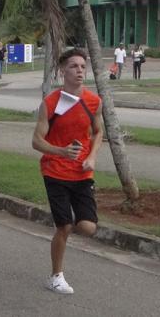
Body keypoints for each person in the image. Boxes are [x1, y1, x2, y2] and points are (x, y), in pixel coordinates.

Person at [31, 48, 102, 294]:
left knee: (88, 227)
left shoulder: (93, 101)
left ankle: (73, 221)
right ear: (63, 70)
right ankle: (56, 276)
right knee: (65, 226)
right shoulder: (51, 103)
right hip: (55, 171)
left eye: (83, 66)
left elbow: (98, 131)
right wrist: (61, 152)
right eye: (74, 66)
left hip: (82, 173)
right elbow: (36, 141)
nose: (79, 71)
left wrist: (91, 156)